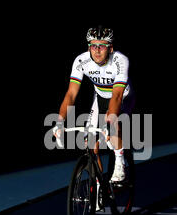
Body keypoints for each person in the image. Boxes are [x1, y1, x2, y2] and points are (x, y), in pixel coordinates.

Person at [53, 26, 135, 182]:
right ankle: (98, 187)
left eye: (102, 45)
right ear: (88, 47)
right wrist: (59, 122)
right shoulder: (81, 61)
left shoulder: (120, 61)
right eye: (93, 45)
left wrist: (109, 122)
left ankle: (120, 162)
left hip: (123, 97)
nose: (97, 50)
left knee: (113, 123)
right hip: (100, 97)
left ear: (110, 48)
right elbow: (71, 95)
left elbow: (117, 96)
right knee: (90, 145)